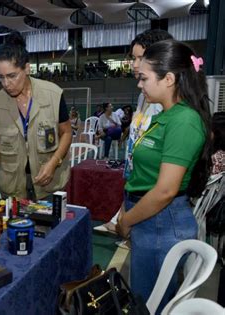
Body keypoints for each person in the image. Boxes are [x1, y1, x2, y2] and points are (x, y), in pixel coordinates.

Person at [117, 40, 212, 311]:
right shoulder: (166, 116)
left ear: (169, 79)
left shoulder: (184, 120)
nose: (139, 85)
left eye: (144, 78)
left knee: (151, 305)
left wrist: (126, 221)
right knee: (144, 298)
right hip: (150, 217)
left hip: (161, 220)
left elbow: (165, 190)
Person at [95, 29, 174, 234]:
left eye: (141, 57)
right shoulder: (144, 96)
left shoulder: (168, 105)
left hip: (152, 192)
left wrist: (127, 219)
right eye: (133, 58)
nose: (135, 64)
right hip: (135, 182)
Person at [0, 32, 72, 200]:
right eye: (0, 77)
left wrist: (54, 162)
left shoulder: (53, 94)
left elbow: (66, 133)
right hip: (12, 187)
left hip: (50, 184)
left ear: (27, 69)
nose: (6, 84)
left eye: (12, 76)